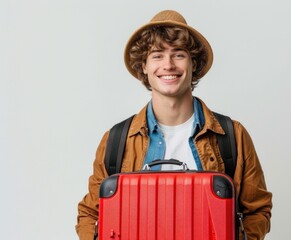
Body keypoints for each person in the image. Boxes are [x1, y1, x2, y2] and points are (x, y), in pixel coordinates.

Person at [76, 10, 272, 240]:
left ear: (193, 64)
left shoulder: (232, 135)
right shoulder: (116, 140)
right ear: (144, 67)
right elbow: (90, 213)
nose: (168, 65)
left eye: (178, 54)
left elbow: (257, 210)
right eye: (157, 55)